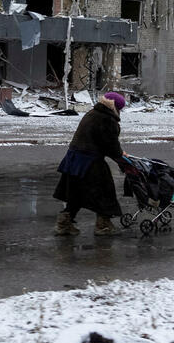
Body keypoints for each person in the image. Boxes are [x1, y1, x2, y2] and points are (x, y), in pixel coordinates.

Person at [53, 91, 127, 236]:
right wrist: (122, 158)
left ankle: (64, 223)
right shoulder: (107, 119)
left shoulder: (93, 113)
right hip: (90, 162)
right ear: (115, 107)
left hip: (74, 160)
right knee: (105, 192)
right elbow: (111, 146)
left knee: (76, 193)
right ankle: (103, 225)